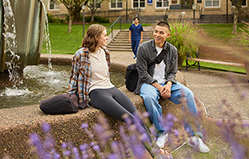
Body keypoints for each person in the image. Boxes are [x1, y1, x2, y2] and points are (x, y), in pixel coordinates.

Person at [67, 24, 172, 158]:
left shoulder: (105, 51)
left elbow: (106, 75)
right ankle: (156, 154)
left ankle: (151, 148)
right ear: (96, 37)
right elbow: (73, 77)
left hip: (110, 88)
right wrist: (72, 96)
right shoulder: (81, 54)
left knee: (137, 116)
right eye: (104, 35)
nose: (106, 37)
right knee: (129, 119)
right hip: (96, 92)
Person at [135, 21, 210, 153]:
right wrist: (159, 87)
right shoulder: (143, 48)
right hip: (148, 83)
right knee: (149, 97)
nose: (157, 35)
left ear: (168, 35)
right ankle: (161, 134)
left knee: (188, 94)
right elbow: (142, 73)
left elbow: (172, 72)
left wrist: (168, 85)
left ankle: (194, 137)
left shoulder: (172, 50)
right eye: (156, 31)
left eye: (161, 33)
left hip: (167, 83)